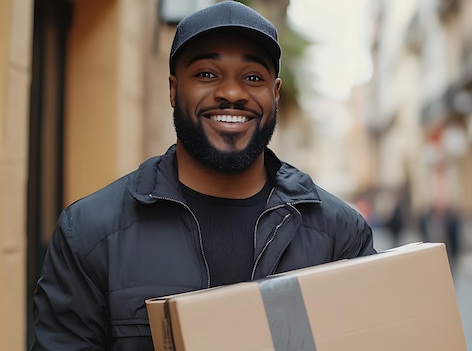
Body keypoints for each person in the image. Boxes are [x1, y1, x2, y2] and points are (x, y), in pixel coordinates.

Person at [30, 2, 376, 350]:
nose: (231, 92)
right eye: (207, 74)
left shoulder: (339, 235)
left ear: (275, 93)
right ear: (173, 89)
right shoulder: (91, 232)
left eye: (253, 77)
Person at [418, 202, 461, 271]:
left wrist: (455, 252)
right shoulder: (427, 219)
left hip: (447, 251)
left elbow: (454, 237)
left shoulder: (450, 219)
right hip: (432, 252)